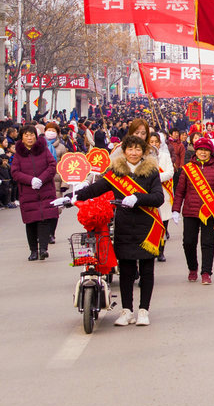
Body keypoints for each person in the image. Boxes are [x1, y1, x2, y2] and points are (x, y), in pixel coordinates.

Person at [55, 135, 165, 326]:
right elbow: (95, 188)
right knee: (126, 270)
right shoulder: (116, 172)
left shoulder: (151, 172)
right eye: (130, 149)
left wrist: (138, 198)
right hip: (124, 224)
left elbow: (158, 198)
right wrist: (71, 198)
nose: (133, 153)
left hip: (147, 226)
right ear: (124, 151)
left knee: (147, 269)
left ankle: (143, 310)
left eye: (137, 149)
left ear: (143, 152)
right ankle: (126, 311)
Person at [172, 137, 214, 284]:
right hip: (190, 211)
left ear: (211, 152)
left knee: (208, 243)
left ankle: (206, 272)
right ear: (195, 151)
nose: (203, 153)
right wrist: (175, 210)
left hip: (210, 211)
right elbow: (180, 192)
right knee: (188, 242)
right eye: (200, 150)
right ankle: (192, 268)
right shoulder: (188, 169)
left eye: (206, 150)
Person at [10, 125, 58, 261]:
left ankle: (43, 249)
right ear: (22, 137)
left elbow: (52, 166)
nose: (29, 138)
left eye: (32, 135)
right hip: (28, 192)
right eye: (26, 135)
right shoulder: (19, 154)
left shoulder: (43, 150)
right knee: (31, 222)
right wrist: (30, 180)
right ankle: (33, 251)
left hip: (45, 190)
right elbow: (15, 172)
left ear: (36, 137)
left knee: (44, 219)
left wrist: (41, 179)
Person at [148, 132, 175, 262]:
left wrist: (155, 178)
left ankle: (161, 251)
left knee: (163, 224)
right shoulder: (144, 157)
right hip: (149, 193)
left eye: (156, 142)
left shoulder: (164, 155)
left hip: (163, 191)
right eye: (151, 142)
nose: (154, 144)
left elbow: (170, 172)